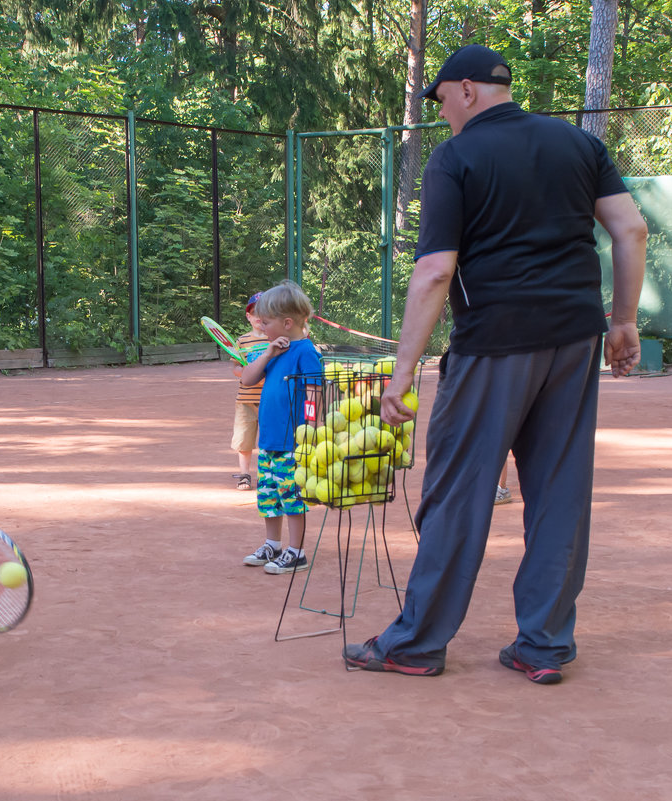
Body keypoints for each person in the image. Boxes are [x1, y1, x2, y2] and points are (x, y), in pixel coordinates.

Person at [343, 45, 647, 684]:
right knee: (560, 493)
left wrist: (403, 372)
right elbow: (631, 230)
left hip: (494, 343)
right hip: (573, 340)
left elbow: (433, 271)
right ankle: (543, 647)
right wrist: (622, 320)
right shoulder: (578, 144)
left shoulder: (456, 156)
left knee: (458, 491)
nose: (442, 112)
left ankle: (416, 643)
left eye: (442, 99)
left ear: (467, 91)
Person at [238, 280, 323, 574]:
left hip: (293, 442)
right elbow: (247, 379)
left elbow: (314, 391)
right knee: (268, 496)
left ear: (287, 323)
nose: (260, 326)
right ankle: (272, 545)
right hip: (269, 441)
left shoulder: (305, 352)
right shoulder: (274, 350)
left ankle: (296, 552)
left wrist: (309, 430)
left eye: (267, 321)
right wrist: (268, 354)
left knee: (292, 498)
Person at [230, 292, 270, 491]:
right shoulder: (242, 341)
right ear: (248, 316)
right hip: (245, 400)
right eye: (255, 313)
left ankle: (265, 475)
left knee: (268, 439)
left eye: (263, 312)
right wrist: (245, 373)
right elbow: (236, 368)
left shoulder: (275, 340)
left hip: (269, 400)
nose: (259, 317)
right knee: (244, 440)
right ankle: (245, 474)